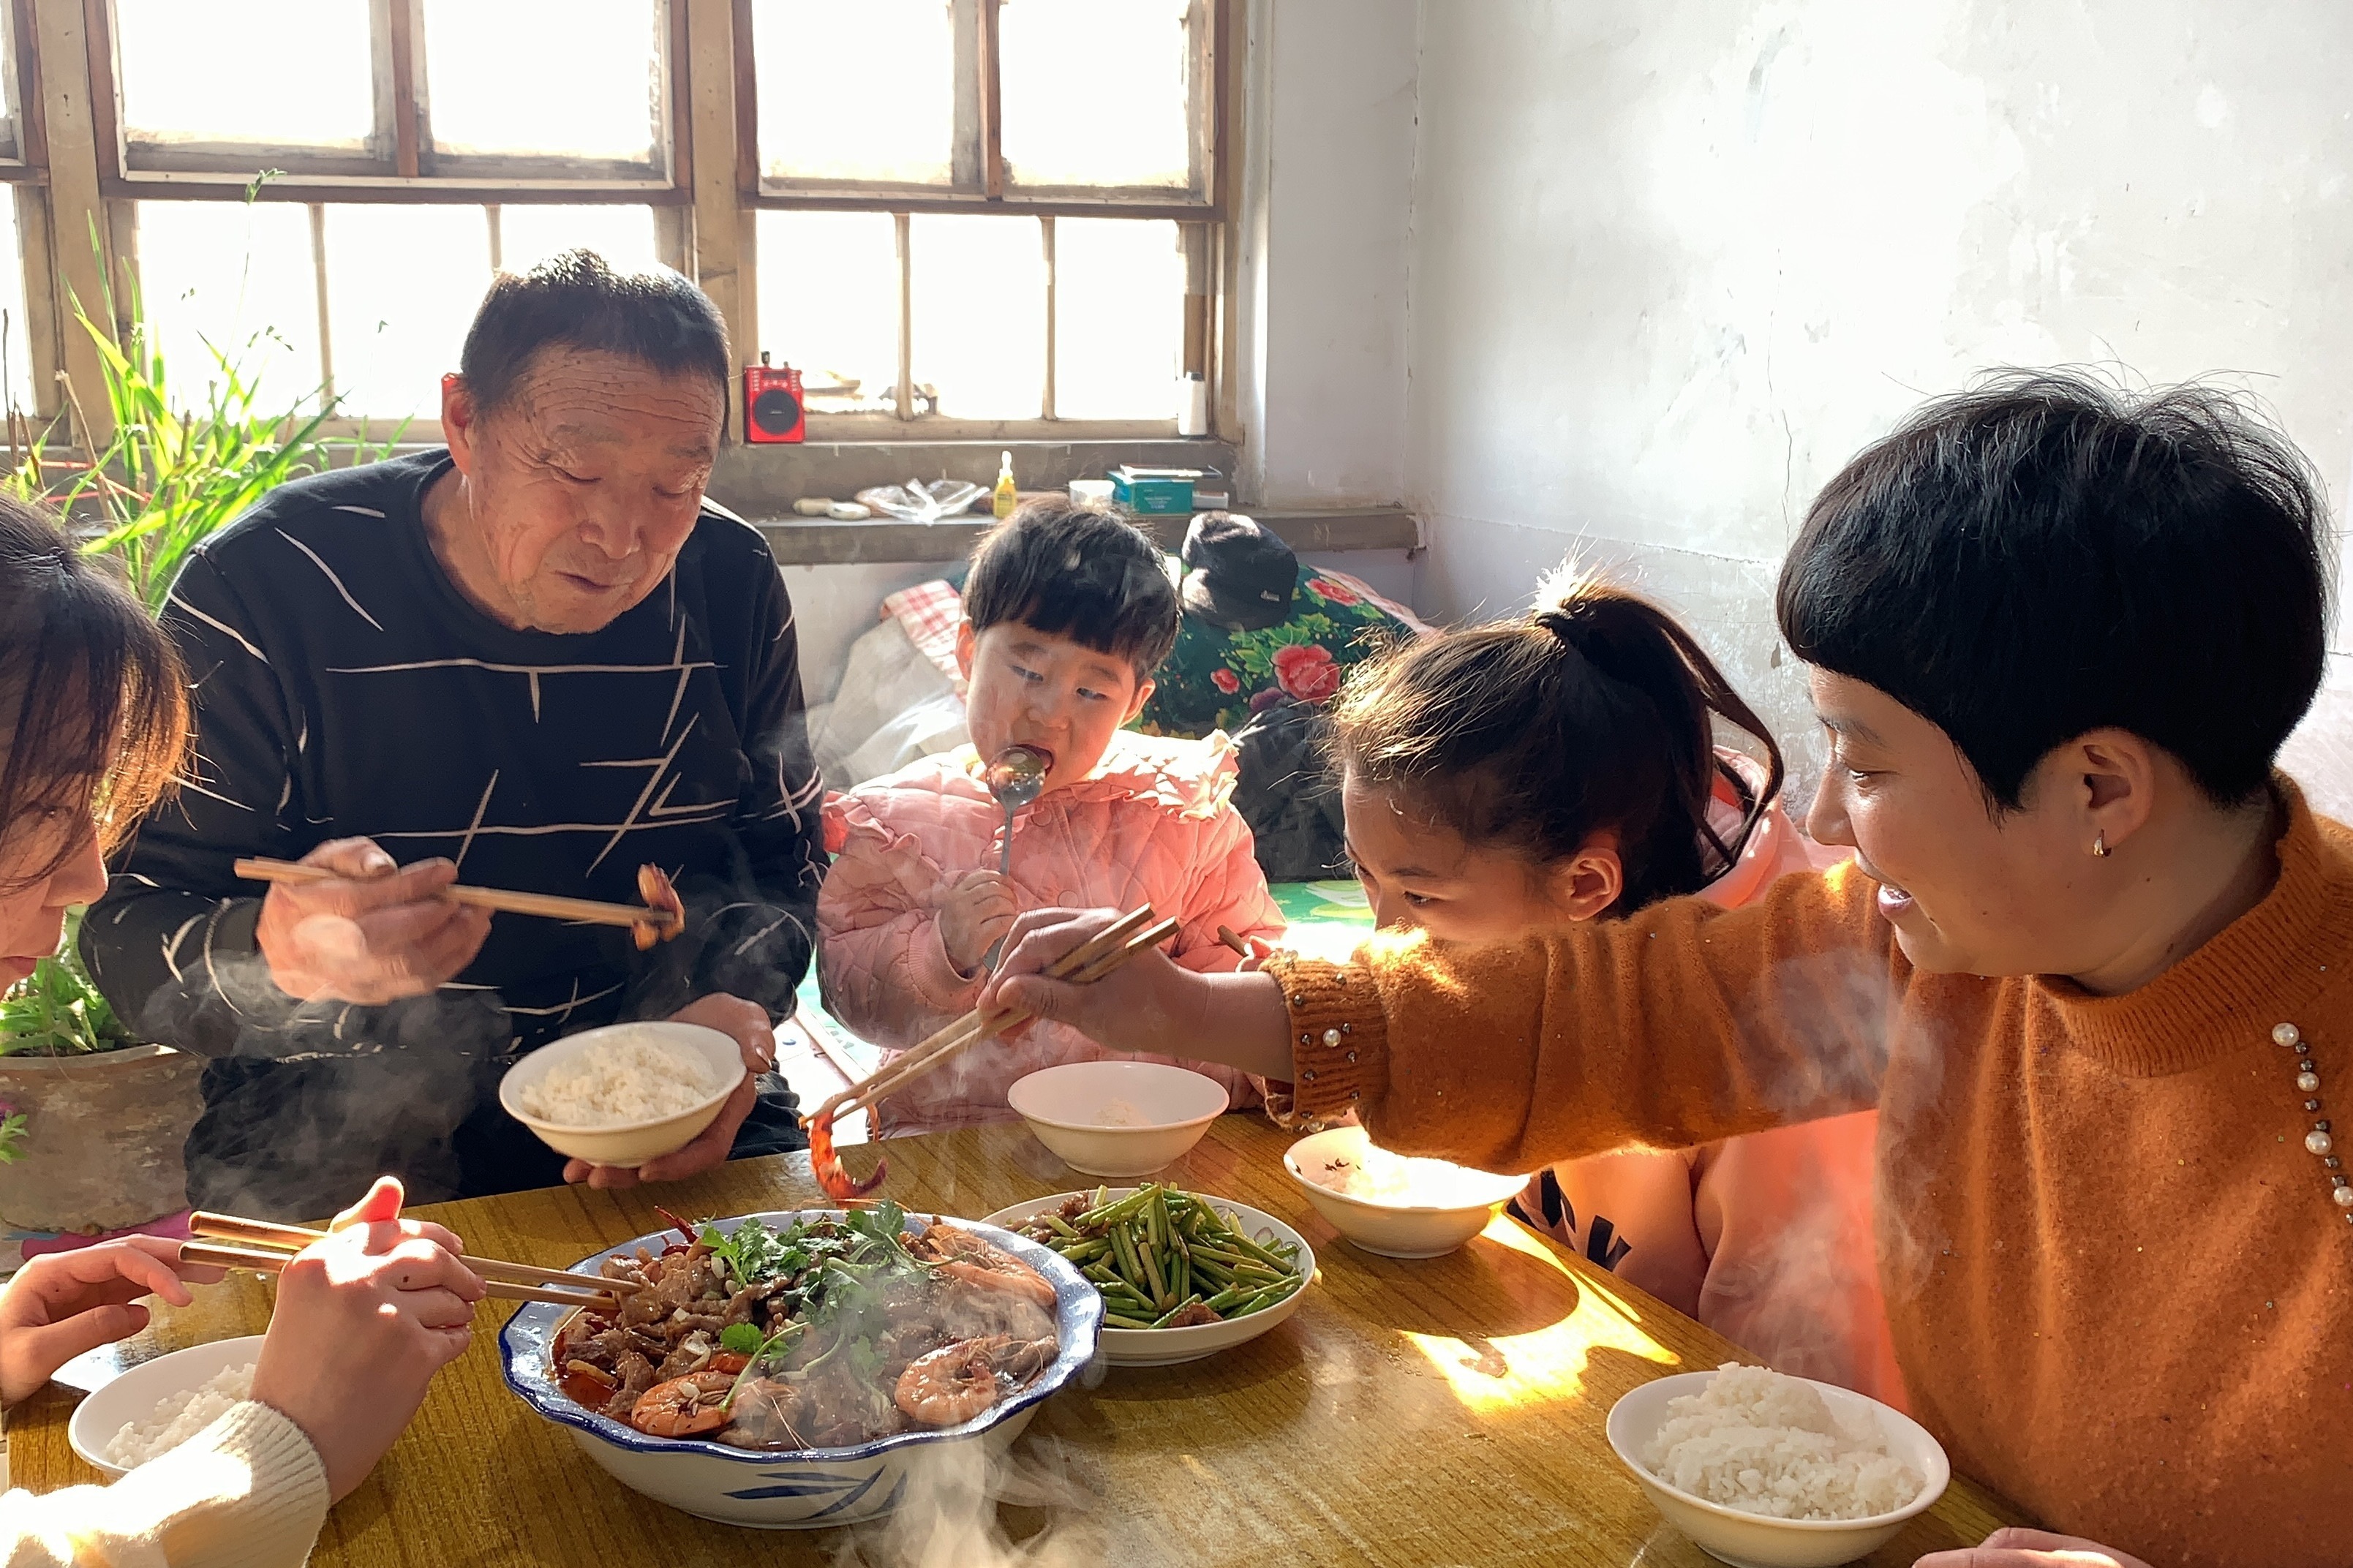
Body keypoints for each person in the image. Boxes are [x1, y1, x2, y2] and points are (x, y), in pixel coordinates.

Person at [984, 374, 2344, 1568]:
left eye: (1865, 764)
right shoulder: (1927, 942)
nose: (1816, 819)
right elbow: (1614, 1015)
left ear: (2098, 783)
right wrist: (1191, 1005)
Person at [80, 250, 827, 1215]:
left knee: (788, 1324)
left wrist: (735, 1010)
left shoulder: (728, 577)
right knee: (319, 1358)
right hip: (333, 1097)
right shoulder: (267, 591)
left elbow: (784, 857)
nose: (622, 534)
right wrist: (287, 960)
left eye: (674, 485)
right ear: (464, 421)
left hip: (655, 1078)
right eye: (577, 469)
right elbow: (125, 927)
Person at [0, 497, 481, 1565]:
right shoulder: (273, 585)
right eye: (44, 802)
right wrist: (284, 1442)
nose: (85, 876)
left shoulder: (725, 587)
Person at [1328, 574, 1900, 1405]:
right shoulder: (1513, 919)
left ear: (1587, 883)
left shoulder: (1781, 1045)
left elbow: (1794, 1401)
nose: (1384, 935)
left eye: (1419, 897)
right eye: (1362, 874)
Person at [818, 501, 1283, 1134]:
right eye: (1027, 670)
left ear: (1134, 702)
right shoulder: (896, 824)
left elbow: (1238, 963)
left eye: (1092, 691)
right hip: (952, 1139)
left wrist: (1241, 998)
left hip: (1141, 1132)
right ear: (966, 652)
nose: (1050, 713)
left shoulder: (1185, 815)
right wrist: (939, 954)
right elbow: (849, 993)